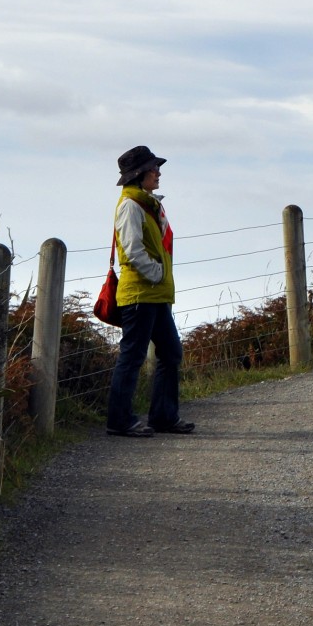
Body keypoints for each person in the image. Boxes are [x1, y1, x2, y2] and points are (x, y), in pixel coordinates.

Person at [106, 144, 194, 437]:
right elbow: (131, 250)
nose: (158, 172)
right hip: (141, 294)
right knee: (132, 357)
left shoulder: (147, 204)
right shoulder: (131, 206)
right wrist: (156, 274)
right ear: (139, 175)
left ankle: (164, 417)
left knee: (170, 353)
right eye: (153, 168)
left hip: (154, 294)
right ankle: (120, 421)